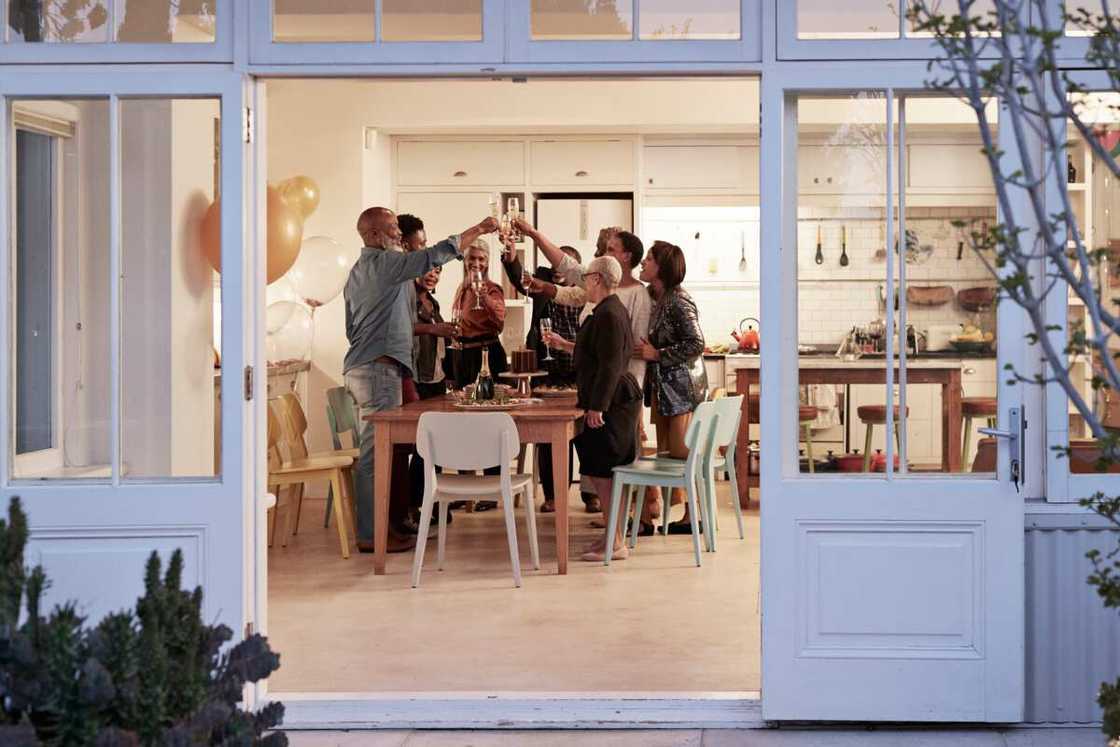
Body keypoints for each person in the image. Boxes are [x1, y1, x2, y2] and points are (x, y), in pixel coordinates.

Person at [343, 206, 497, 553]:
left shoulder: (359, 272)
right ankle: (372, 535)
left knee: (382, 453)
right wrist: (480, 227)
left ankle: (386, 527)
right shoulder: (384, 264)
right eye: (392, 228)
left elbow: (351, 327)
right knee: (375, 456)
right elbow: (434, 255)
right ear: (372, 236)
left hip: (369, 367)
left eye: (398, 226)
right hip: (377, 370)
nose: (398, 233)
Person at [542, 255, 642, 562]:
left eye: (586, 277)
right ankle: (611, 537)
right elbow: (600, 352)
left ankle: (614, 543)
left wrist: (598, 406)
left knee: (605, 472)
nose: (584, 282)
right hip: (608, 399)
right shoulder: (608, 310)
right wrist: (565, 345)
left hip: (610, 403)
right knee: (601, 473)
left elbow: (612, 364)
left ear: (597, 279)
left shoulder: (609, 313)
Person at [499, 238, 596, 514]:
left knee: (586, 435)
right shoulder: (543, 285)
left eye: (562, 265)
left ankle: (590, 494)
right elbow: (521, 279)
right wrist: (509, 254)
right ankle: (554, 494)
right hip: (548, 371)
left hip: (580, 373)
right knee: (549, 433)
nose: (556, 270)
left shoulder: (587, 292)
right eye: (554, 264)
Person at [638, 240, 708, 533]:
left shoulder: (679, 300)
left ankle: (695, 518)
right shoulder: (656, 296)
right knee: (672, 455)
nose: (643, 263)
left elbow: (697, 343)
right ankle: (684, 516)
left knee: (682, 455)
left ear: (661, 267)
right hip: (666, 391)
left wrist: (659, 354)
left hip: (682, 393)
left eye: (648, 259)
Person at [446, 239, 508, 389]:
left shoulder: (493, 289)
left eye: (481, 259)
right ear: (465, 260)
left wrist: (485, 297)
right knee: (463, 407)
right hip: (463, 356)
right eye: (472, 258)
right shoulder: (463, 288)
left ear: (487, 263)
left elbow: (500, 316)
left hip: (485, 355)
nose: (476, 263)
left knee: (488, 407)